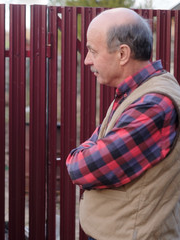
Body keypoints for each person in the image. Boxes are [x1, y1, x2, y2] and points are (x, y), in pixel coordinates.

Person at [66, 8, 180, 240]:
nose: (87, 60)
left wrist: (81, 156)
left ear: (123, 54)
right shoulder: (135, 92)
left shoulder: (154, 103)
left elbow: (85, 168)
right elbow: (99, 143)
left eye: (92, 51)